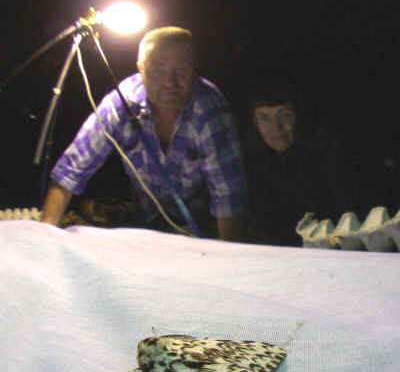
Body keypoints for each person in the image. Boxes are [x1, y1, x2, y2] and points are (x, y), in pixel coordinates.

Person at [41, 26, 248, 241]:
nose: (170, 83)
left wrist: (228, 259)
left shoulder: (210, 110)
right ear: (141, 68)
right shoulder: (121, 103)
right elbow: (71, 169)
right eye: (158, 70)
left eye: (182, 70)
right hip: (145, 220)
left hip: (203, 226)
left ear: (194, 70)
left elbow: (229, 198)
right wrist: (45, 237)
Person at [243, 82, 350, 246]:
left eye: (284, 115)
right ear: (254, 122)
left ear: (298, 114)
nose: (276, 127)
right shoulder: (253, 165)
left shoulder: (326, 156)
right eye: (264, 118)